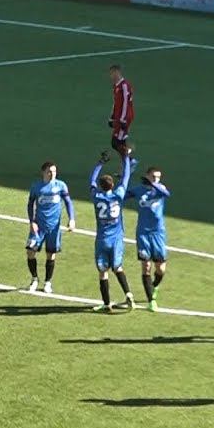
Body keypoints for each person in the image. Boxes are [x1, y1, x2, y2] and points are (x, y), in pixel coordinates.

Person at [90, 152, 135, 311]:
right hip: (116, 238)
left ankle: (106, 303)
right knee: (118, 267)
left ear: (101, 186)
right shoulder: (118, 195)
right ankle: (128, 294)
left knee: (103, 272)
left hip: (102, 239)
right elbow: (126, 177)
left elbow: (92, 181)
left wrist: (100, 163)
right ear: (112, 185)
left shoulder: (96, 197)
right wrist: (125, 158)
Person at [124, 165, 170, 312]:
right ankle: (151, 301)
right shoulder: (139, 190)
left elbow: (166, 194)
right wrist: (124, 178)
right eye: (153, 177)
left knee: (161, 269)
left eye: (158, 177)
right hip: (143, 233)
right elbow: (123, 195)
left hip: (158, 232)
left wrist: (153, 184)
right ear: (147, 175)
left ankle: (154, 286)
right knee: (146, 267)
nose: (156, 179)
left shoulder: (160, 189)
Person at [25, 160, 75, 293]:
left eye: (54, 171)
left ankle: (47, 282)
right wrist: (32, 222)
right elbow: (30, 204)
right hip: (38, 226)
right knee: (30, 252)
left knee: (51, 255)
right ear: (43, 172)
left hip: (54, 227)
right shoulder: (36, 187)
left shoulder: (61, 185)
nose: (52, 174)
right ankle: (34, 279)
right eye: (49, 172)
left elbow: (68, 202)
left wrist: (71, 219)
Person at [107, 64, 134, 162]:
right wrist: (112, 117)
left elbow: (125, 103)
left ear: (117, 72)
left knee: (116, 142)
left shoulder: (124, 86)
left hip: (124, 118)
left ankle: (130, 161)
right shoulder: (116, 86)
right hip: (119, 117)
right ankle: (127, 163)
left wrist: (123, 120)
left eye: (112, 73)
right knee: (120, 142)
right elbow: (116, 103)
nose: (111, 76)